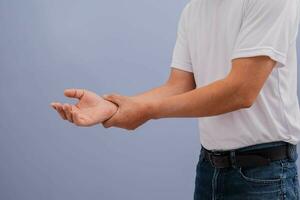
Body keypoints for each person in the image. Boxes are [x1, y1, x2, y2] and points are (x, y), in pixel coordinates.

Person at [51, 0, 300, 199]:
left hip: (264, 175)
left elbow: (241, 90)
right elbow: (179, 85)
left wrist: (146, 110)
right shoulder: (193, 10)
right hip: (209, 169)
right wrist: (113, 107)